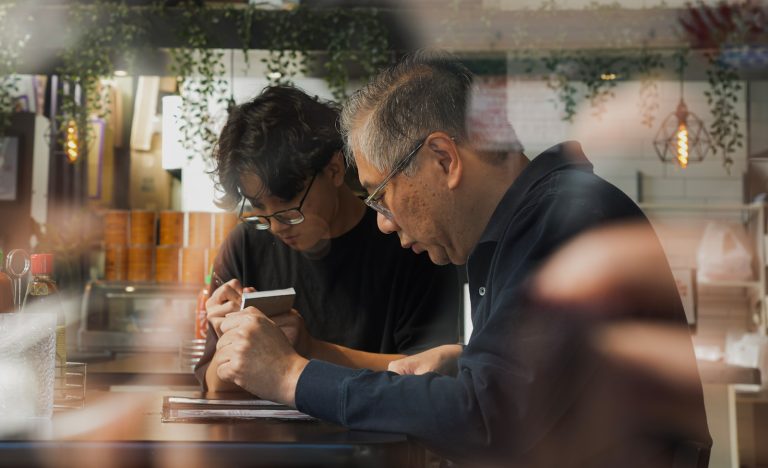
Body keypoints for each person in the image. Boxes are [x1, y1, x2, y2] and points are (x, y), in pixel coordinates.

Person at [212, 53, 711, 466]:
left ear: (444, 159)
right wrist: (465, 361)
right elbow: (535, 389)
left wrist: (292, 377)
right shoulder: (533, 225)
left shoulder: (564, 220)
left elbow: (487, 422)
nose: (383, 222)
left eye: (381, 195)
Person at [195, 85, 460, 393]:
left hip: (379, 424)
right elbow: (213, 386)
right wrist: (228, 339)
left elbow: (432, 374)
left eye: (288, 206)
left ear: (334, 169)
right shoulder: (246, 245)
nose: (276, 226)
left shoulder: (411, 241)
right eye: (259, 209)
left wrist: (308, 350)